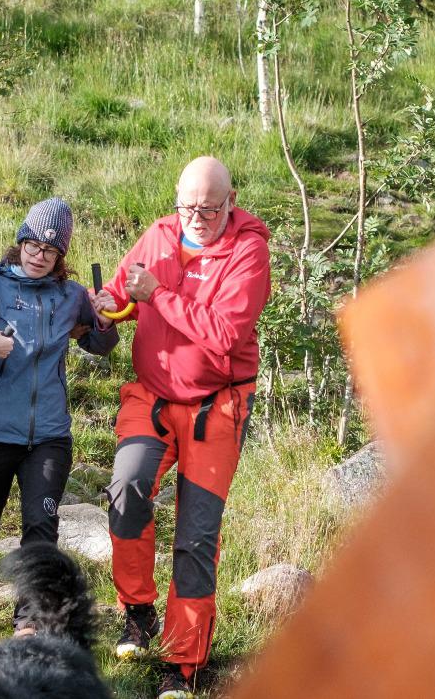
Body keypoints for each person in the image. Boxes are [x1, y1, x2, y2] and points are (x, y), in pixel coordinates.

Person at [98, 157, 271, 699]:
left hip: (215, 407)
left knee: (196, 536)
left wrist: (158, 296)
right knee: (126, 490)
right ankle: (138, 611)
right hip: (151, 396)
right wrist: (109, 303)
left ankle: (183, 661)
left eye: (209, 208)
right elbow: (125, 289)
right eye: (188, 206)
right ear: (177, 200)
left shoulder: (249, 251)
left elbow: (223, 333)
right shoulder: (161, 234)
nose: (197, 217)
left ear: (231, 201)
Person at [0, 198, 118, 662]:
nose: (38, 255)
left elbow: (101, 345)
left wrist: (105, 313)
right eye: (32, 245)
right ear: (20, 243)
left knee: (42, 529)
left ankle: (30, 624)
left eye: (50, 251)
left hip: (49, 436)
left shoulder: (69, 296)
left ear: (61, 257)